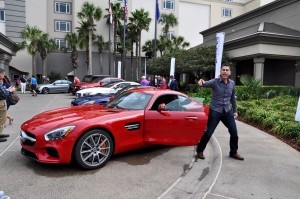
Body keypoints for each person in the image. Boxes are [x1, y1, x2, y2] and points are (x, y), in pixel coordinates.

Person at [196, 65, 244, 161]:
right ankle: (200, 150)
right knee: (209, 132)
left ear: (230, 72)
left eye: (227, 70)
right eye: (223, 70)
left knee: (234, 132)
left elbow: (232, 98)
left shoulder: (232, 83)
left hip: (227, 111)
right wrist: (201, 82)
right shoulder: (215, 82)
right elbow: (204, 84)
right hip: (215, 111)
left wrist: (235, 111)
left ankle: (233, 152)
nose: (225, 72)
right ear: (220, 72)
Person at [0, 68, 15, 142]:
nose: (3, 76)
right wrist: (10, 91)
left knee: (2, 119)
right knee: (1, 119)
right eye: (3, 74)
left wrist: (7, 90)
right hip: (1, 102)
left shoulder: (1, 81)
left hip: (2, 102)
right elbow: (3, 93)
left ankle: (0, 133)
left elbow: (2, 90)